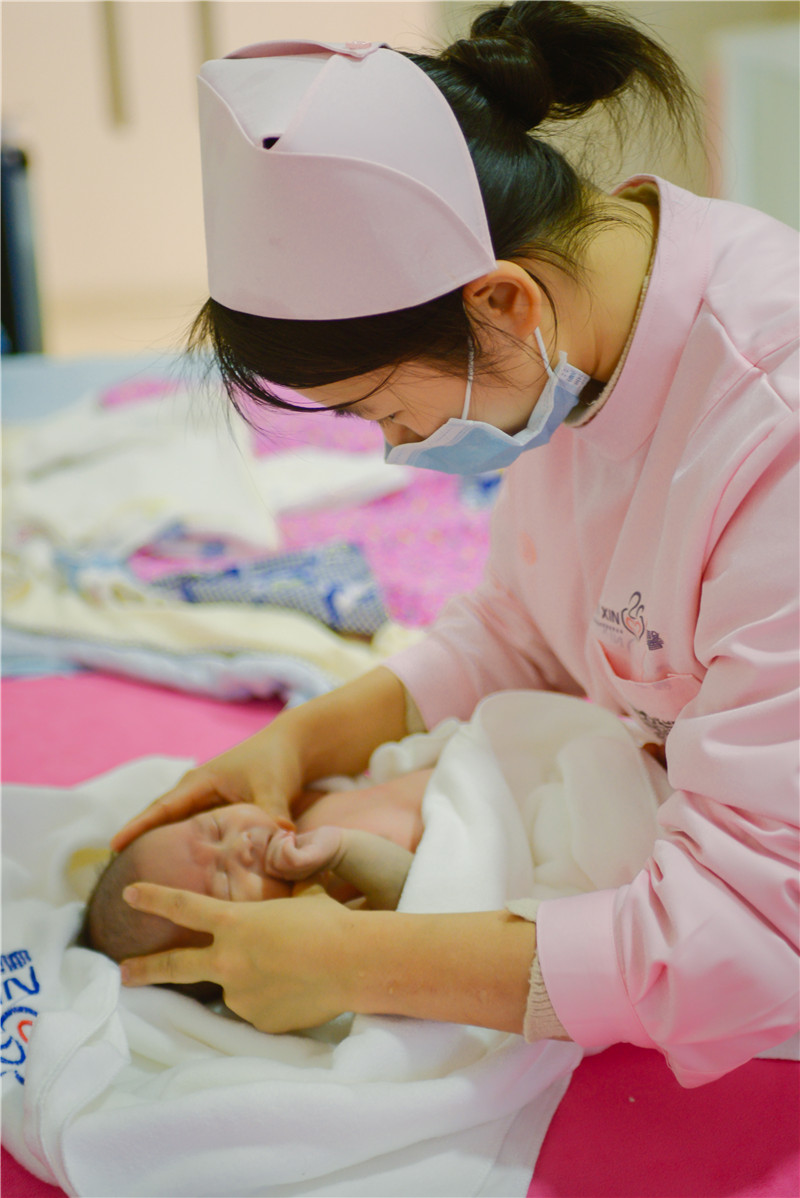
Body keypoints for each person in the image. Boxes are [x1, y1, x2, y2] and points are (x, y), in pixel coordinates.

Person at [112, 1, 798, 1087]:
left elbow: (753, 937)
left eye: (384, 410)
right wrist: (300, 743)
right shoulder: (582, 340)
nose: (396, 451)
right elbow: (527, 626)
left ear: (501, 304)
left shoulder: (771, 433)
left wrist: (353, 965)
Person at [80, 779, 423, 1004]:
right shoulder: (338, 913)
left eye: (215, 827)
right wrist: (344, 851)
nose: (239, 844)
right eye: (226, 882)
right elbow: (422, 902)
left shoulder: (294, 800)